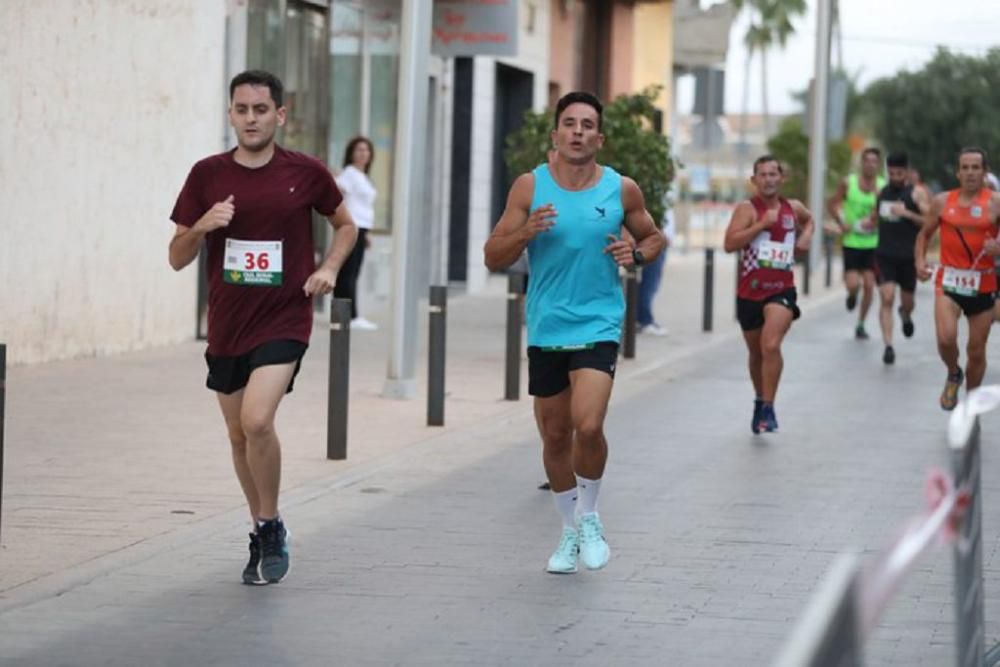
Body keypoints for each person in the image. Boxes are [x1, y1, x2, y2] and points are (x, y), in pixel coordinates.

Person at [168, 70, 358, 584]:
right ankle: (261, 525)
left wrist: (329, 269)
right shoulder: (206, 175)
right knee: (237, 435)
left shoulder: (306, 172)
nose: (250, 118)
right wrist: (204, 225)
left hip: (285, 317)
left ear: (280, 114)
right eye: (242, 109)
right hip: (228, 323)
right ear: (230, 113)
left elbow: (346, 224)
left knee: (256, 421)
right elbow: (176, 257)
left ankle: (270, 524)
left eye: (260, 109)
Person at [484, 91, 664, 574]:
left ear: (599, 138)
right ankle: (568, 530)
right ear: (556, 134)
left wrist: (638, 255)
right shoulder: (530, 187)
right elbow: (492, 255)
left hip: (599, 320)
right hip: (547, 325)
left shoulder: (621, 189)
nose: (578, 131)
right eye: (570, 123)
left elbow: (653, 235)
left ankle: (590, 516)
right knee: (556, 435)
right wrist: (526, 233)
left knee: (588, 424)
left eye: (587, 124)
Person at [724, 155, 814, 434]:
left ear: (782, 178)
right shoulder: (747, 209)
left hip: (782, 289)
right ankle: (760, 399)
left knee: (771, 345)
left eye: (773, 174)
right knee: (756, 353)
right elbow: (729, 244)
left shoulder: (792, 208)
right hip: (750, 293)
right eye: (762, 175)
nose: (769, 179)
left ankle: (769, 407)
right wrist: (761, 225)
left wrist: (806, 236)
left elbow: (809, 220)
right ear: (754, 181)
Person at [915, 147, 1000, 410]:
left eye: (976, 167)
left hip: (983, 282)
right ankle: (953, 372)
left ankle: (971, 402)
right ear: (958, 172)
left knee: (976, 351)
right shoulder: (942, 201)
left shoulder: (995, 202)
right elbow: (924, 236)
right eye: (966, 167)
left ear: (984, 172)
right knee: (946, 337)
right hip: (949, 280)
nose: (971, 173)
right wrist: (919, 262)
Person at [872, 152, 929, 365]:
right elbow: (875, 215)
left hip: (908, 257)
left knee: (908, 302)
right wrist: (870, 221)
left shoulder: (916, 194)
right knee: (886, 297)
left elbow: (929, 221)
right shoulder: (882, 192)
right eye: (891, 172)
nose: (895, 176)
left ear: (906, 172)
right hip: (884, 254)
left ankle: (905, 314)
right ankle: (888, 346)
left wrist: (907, 214)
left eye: (899, 173)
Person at [828, 147, 885, 339]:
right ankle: (852, 295)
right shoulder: (848, 183)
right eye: (867, 160)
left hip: (872, 243)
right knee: (853, 284)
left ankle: (860, 324)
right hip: (851, 242)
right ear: (862, 163)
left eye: (874, 161)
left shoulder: (882, 186)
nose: (870, 164)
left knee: (869, 285)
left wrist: (876, 219)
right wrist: (841, 222)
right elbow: (832, 204)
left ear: (878, 164)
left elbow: (886, 211)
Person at [335, 136, 379, 330]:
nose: (363, 154)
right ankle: (349, 316)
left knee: (354, 272)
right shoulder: (350, 173)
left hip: (362, 228)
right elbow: (338, 191)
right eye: (359, 150)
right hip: (352, 227)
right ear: (351, 153)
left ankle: (349, 314)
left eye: (366, 150)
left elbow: (364, 206)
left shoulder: (362, 176)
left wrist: (366, 233)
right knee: (348, 273)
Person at [636, 205, 675, 336]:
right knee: (649, 284)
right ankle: (644, 320)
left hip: (659, 243)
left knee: (650, 283)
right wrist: (659, 235)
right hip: (654, 243)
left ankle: (641, 319)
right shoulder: (656, 188)